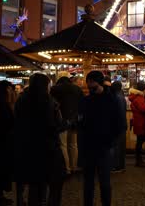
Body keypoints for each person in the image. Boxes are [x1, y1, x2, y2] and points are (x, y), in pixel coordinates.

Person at [14, 73, 68, 206]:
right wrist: (67, 123)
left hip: (28, 147)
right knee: (55, 183)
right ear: (45, 85)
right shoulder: (49, 101)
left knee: (35, 183)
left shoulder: (22, 100)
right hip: (49, 148)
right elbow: (54, 126)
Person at [79, 71, 126, 206]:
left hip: (104, 147)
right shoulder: (86, 100)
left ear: (99, 84)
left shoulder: (112, 100)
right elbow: (81, 121)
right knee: (88, 182)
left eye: (92, 86)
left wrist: (111, 141)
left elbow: (120, 124)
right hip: (89, 146)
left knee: (104, 182)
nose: (90, 89)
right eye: (89, 86)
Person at [51, 76, 84, 175]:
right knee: (73, 145)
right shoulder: (77, 89)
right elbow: (82, 104)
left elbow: (52, 105)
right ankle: (74, 166)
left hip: (62, 121)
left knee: (63, 145)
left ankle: (67, 168)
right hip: (75, 121)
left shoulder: (55, 89)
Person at [129, 82, 145, 167]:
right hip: (141, 122)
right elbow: (143, 108)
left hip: (138, 121)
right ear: (143, 89)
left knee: (140, 141)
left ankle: (139, 160)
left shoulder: (136, 97)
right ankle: (139, 161)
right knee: (140, 142)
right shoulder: (139, 98)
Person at [110, 81, 127, 173]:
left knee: (117, 146)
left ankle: (117, 166)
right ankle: (120, 165)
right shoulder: (121, 96)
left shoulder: (117, 97)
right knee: (120, 146)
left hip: (118, 125)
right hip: (121, 125)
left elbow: (119, 113)